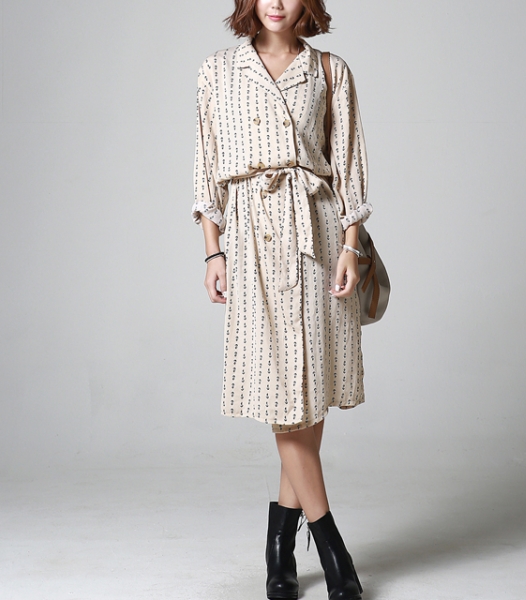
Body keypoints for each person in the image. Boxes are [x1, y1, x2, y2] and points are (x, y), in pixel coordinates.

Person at [192, 1, 372, 598]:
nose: (276, 2)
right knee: (282, 392)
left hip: (318, 235)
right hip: (252, 238)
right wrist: (213, 252)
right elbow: (207, 166)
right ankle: (332, 548)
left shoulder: (330, 70)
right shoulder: (218, 70)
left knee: (308, 389)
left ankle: (279, 549)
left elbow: (349, 166)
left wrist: (351, 247)